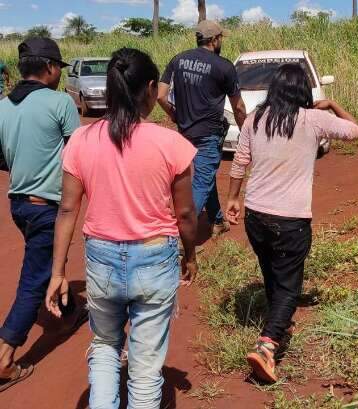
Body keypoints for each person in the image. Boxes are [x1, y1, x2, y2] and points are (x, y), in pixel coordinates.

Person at [44, 48, 199, 408]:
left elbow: (67, 209)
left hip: (102, 259)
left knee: (104, 346)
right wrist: (190, 255)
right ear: (149, 88)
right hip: (155, 257)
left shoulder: (81, 140)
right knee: (145, 368)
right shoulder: (171, 143)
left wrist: (58, 272)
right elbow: (186, 214)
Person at [226, 64, 358, 383]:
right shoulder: (313, 119)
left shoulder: (256, 119)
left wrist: (233, 199)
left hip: (256, 215)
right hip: (291, 219)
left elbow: (239, 161)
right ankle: (267, 345)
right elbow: (356, 131)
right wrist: (331, 105)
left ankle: (280, 322)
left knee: (272, 271)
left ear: (273, 89)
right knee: (289, 283)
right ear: (304, 91)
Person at [0, 37, 82, 392]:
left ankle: (67, 312)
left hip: (18, 203)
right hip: (46, 207)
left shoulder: (2, 106)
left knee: (45, 261)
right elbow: (79, 153)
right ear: (50, 68)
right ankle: (4, 357)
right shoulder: (60, 102)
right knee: (34, 279)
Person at [158, 20, 246, 241]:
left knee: (206, 178)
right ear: (215, 40)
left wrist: (173, 114)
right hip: (209, 134)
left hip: (185, 133)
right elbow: (239, 106)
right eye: (221, 38)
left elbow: (160, 95)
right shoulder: (224, 66)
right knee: (201, 182)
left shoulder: (178, 60)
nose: (221, 41)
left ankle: (217, 220)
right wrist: (246, 132)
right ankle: (178, 238)